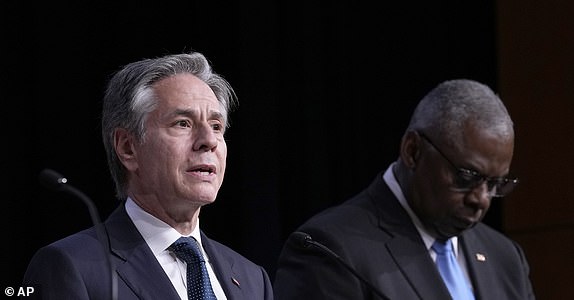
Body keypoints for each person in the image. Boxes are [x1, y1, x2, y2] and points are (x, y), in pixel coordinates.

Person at [23, 51, 274, 299]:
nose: (209, 141)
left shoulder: (253, 279)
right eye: (183, 123)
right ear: (128, 148)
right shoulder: (70, 266)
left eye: (216, 126)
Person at [273, 79, 535, 299]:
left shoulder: (505, 258)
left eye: (495, 184)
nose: (481, 199)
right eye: (466, 177)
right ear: (413, 151)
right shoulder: (330, 251)